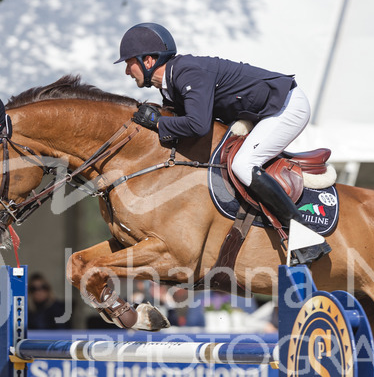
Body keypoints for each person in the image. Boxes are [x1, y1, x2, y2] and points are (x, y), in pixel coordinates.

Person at [115, 22, 331, 266]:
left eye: (128, 62)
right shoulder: (170, 85)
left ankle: (305, 236)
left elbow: (198, 126)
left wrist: (157, 124)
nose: (126, 71)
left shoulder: (186, 72)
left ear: (149, 60)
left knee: (243, 163)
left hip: (285, 107)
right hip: (259, 113)